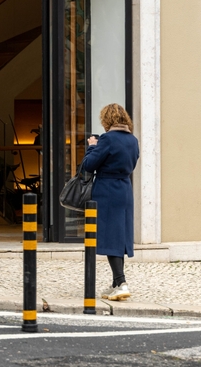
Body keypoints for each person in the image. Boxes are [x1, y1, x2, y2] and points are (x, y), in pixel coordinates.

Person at [81, 103, 139, 301]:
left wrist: (92, 147)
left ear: (107, 119)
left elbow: (89, 165)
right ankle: (116, 284)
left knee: (110, 237)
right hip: (124, 189)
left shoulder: (107, 139)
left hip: (107, 190)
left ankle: (121, 283)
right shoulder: (133, 140)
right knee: (119, 236)